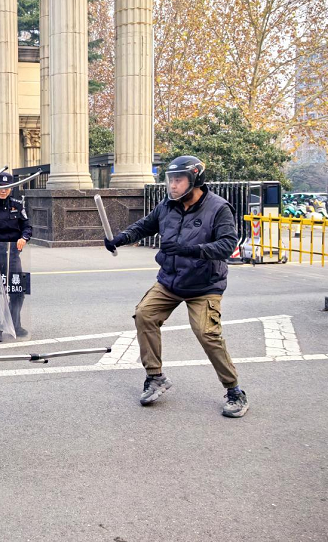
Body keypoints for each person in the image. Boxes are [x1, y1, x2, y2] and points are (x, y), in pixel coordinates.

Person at [104, 156, 249, 418]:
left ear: (195, 181)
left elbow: (228, 245)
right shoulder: (167, 205)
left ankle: (234, 391)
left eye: (179, 180)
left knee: (207, 333)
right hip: (170, 280)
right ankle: (155, 377)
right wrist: (121, 238)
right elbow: (145, 226)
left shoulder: (218, 208)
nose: (172, 185)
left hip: (205, 285)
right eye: (170, 180)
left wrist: (189, 250)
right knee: (144, 315)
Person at [0, 172, 32, 342]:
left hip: (12, 254)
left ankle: (15, 324)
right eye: (0, 187)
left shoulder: (18, 205)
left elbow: (27, 226)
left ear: (11, 188)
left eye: (6, 188)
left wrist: (23, 238)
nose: (3, 191)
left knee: (18, 291)